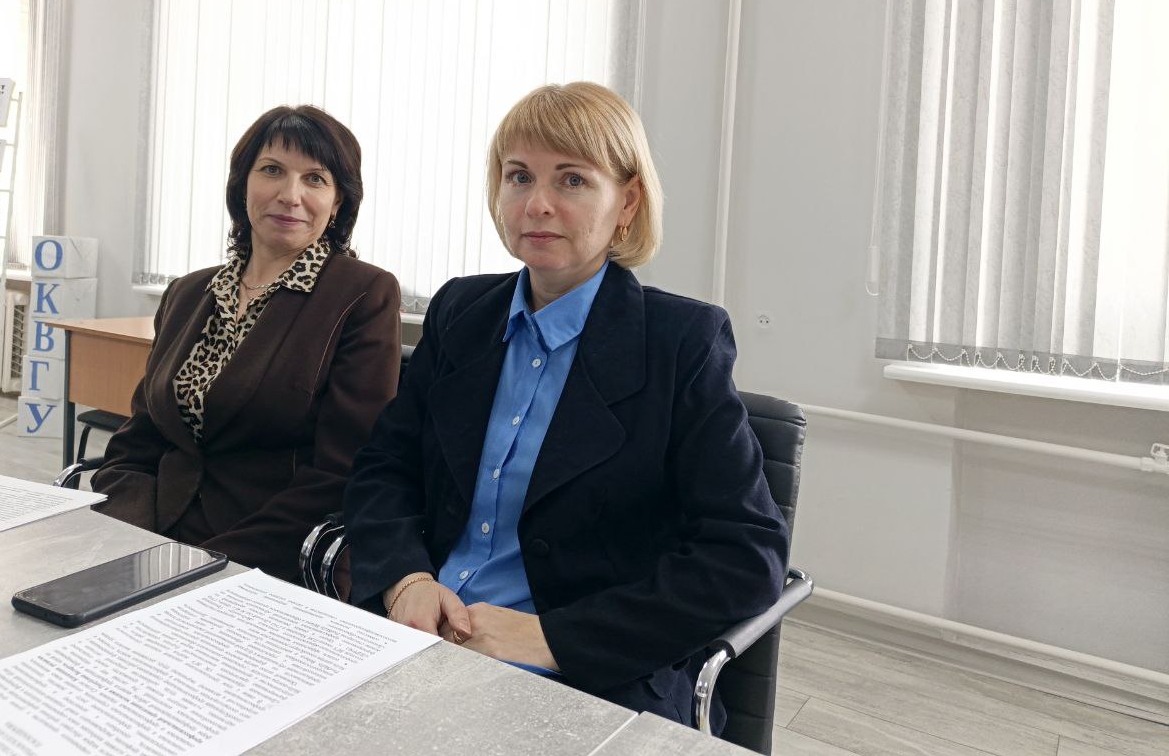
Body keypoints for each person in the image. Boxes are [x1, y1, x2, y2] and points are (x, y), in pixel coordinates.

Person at [343, 82, 789, 730]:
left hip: (584, 675)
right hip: (415, 636)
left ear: (627, 201)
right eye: (519, 176)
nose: (537, 204)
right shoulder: (461, 311)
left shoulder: (680, 343)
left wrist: (549, 638)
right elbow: (386, 465)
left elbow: (746, 557)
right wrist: (405, 578)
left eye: (572, 180)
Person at [93, 105, 401, 580]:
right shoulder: (188, 292)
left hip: (264, 553)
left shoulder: (362, 294)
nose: (290, 195)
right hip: (152, 536)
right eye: (272, 170)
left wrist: (202, 566)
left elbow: (342, 471)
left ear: (338, 201)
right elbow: (140, 440)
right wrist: (126, 537)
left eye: (315, 179)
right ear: (242, 186)